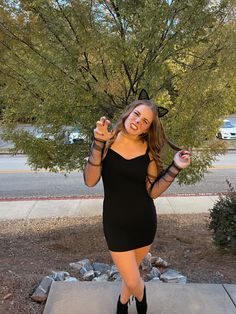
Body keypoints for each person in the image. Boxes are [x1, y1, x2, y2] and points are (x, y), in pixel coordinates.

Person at [83, 90, 191, 314]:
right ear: (128, 112)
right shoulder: (107, 140)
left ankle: (123, 303)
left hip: (143, 222)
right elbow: (90, 181)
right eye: (136, 115)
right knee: (133, 280)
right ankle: (141, 299)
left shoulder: (149, 153)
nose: (138, 122)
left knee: (130, 275)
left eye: (145, 122)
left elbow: (152, 192)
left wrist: (175, 168)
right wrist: (97, 142)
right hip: (115, 224)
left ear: (147, 128)